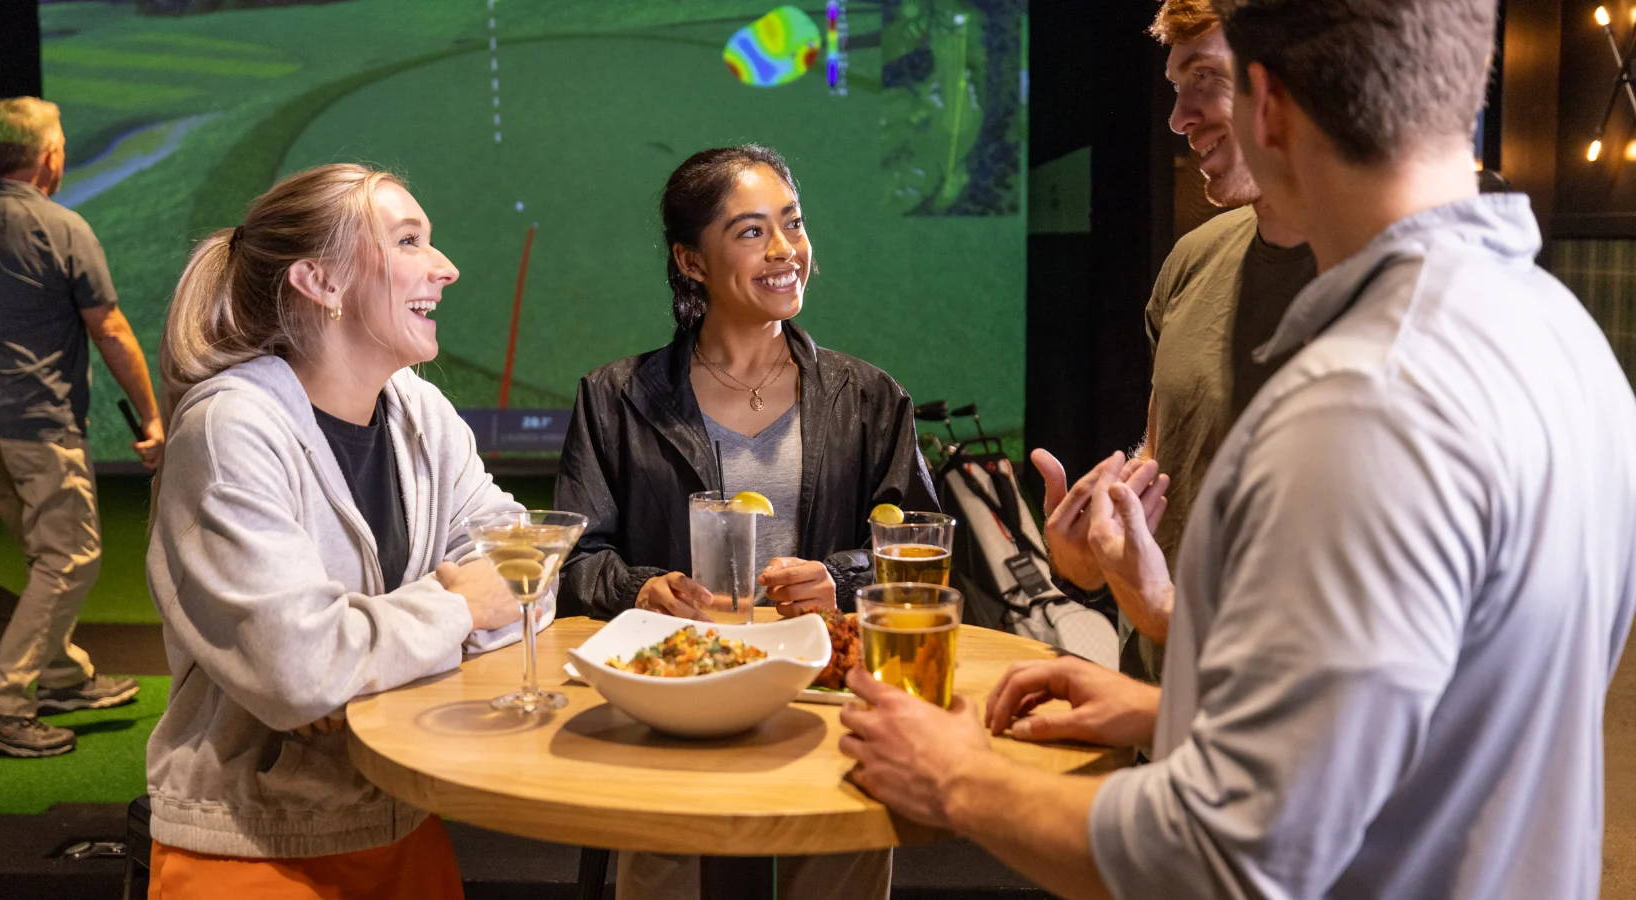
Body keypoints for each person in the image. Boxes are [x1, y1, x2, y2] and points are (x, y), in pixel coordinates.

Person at [838, 2, 1636, 898]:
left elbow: (1228, 857)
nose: (1181, 120)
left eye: (1206, 85)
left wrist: (955, 777)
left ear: (1270, 105)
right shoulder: (1566, 337)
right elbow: (1441, 723)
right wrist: (1160, 708)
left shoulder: (1361, 404)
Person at [144, 163, 537, 898]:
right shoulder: (230, 427)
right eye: (409, 241)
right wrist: (458, 609)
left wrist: (359, 677)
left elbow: (528, 573)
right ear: (320, 283)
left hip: (404, 819)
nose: (446, 268)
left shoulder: (422, 413)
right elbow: (301, 671)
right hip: (251, 845)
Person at [556, 145, 937, 900]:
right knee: (661, 871)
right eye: (751, 231)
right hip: (676, 699)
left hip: (824, 696)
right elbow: (574, 561)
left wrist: (840, 577)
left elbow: (922, 548)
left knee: (842, 861)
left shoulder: (869, 398)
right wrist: (644, 588)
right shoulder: (615, 397)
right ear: (690, 261)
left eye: (791, 224)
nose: (786, 250)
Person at [1029, 0, 1320, 680]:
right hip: (1150, 698)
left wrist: (1162, 607)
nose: (1178, 118)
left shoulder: (1384, 286)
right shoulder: (1195, 258)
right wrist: (1099, 546)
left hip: (1273, 720)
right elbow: (1164, 455)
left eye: (1205, 79)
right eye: (1175, 87)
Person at [0, 96, 162, 758]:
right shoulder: (61, 227)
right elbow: (112, 331)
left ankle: (63, 676)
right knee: (69, 559)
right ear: (50, 157)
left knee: (47, 557)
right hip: (37, 423)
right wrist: (153, 416)